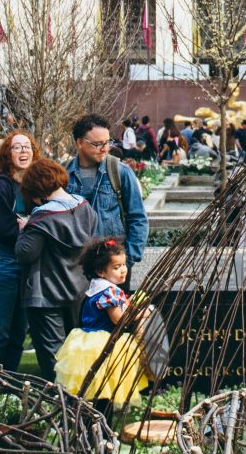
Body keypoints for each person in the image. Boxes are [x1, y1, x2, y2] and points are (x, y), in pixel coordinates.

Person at [14, 160, 98, 379]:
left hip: (45, 294)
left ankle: (60, 407)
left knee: (54, 358)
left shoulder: (41, 217)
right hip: (79, 290)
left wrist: (25, 229)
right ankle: (82, 405)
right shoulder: (84, 207)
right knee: (77, 352)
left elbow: (25, 253)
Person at [53, 238, 149, 404]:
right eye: (116, 267)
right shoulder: (108, 292)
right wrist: (140, 314)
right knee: (103, 389)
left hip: (88, 342)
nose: (123, 271)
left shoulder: (98, 286)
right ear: (100, 271)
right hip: (102, 345)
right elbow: (119, 319)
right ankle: (101, 425)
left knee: (95, 391)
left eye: (124, 265)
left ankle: (94, 424)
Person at [0, 131, 36, 371]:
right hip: (5, 264)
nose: (23, 151)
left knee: (18, 333)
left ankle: (7, 383)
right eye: (17, 147)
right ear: (6, 154)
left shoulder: (32, 184)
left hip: (26, 263)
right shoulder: (0, 185)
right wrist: (31, 227)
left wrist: (29, 224)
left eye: (27, 146)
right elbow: (3, 229)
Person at [66, 113, 149, 262]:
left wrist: (127, 260)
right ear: (79, 142)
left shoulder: (120, 171)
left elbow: (138, 218)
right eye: (98, 144)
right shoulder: (64, 174)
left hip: (112, 264)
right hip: (74, 266)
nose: (105, 148)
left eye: (107, 142)